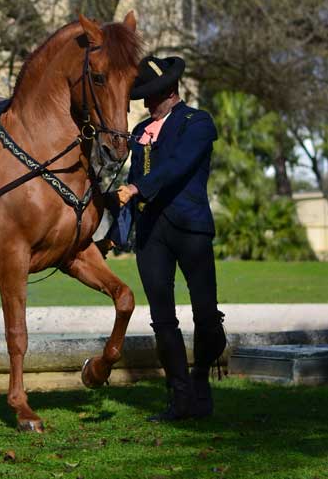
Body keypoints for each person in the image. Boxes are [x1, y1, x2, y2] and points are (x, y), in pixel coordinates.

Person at [113, 55, 226, 421]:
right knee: (163, 319)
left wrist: (137, 187)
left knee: (206, 316)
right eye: (143, 96)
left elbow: (177, 166)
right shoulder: (139, 132)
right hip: (151, 233)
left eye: (152, 95)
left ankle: (201, 378)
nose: (146, 103)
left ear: (171, 91)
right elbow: (124, 165)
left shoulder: (198, 123)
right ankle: (179, 398)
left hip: (190, 227)